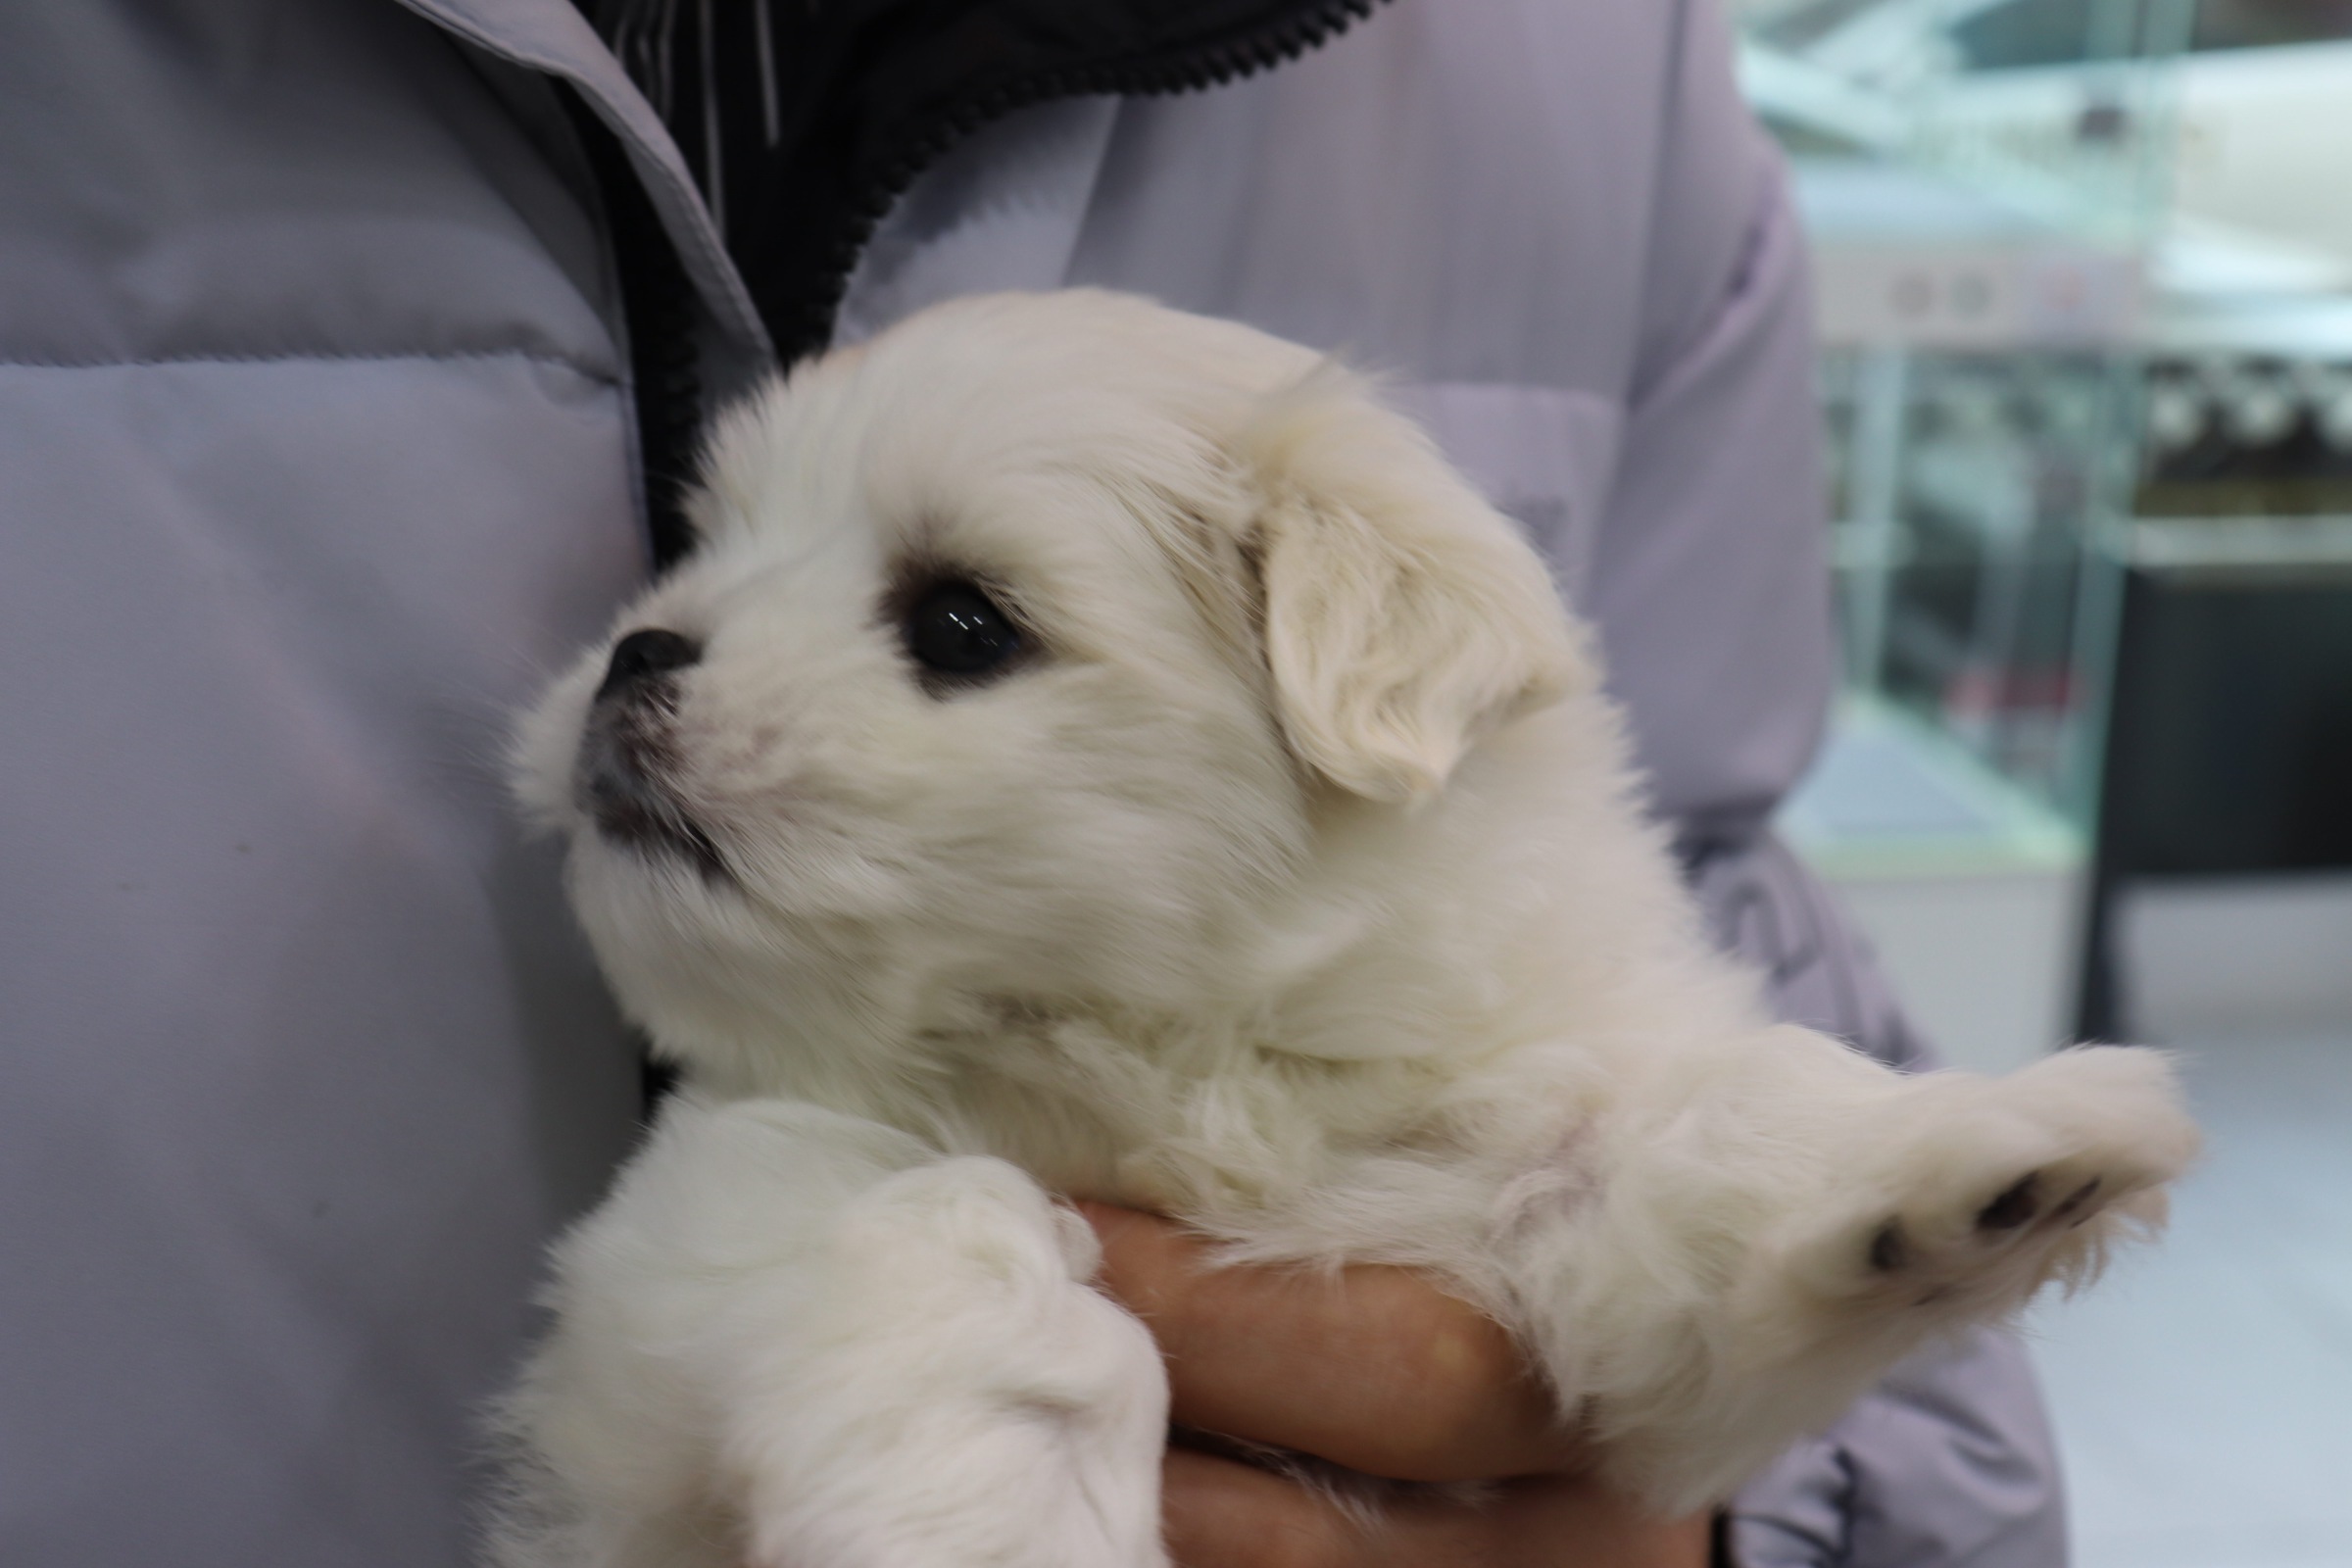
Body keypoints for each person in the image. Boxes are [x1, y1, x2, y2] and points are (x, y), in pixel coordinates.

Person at [0, 0, 2065, 1563]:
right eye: (721, 550)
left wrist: (1762, 1515)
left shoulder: (1592, 70)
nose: (669, 643)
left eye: (959, 625)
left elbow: (1714, 876)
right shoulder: (832, 1134)